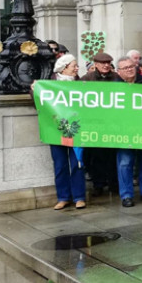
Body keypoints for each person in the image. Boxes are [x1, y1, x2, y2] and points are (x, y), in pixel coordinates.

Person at [115, 56, 142, 208]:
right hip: (124, 130)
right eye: (125, 68)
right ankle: (126, 195)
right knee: (125, 162)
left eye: (131, 66)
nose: (129, 69)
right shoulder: (113, 86)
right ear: (118, 71)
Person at [47, 55, 86, 210]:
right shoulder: (49, 82)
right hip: (56, 130)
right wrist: (34, 88)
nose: (77, 69)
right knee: (60, 164)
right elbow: (37, 97)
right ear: (64, 68)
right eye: (74, 66)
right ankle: (63, 197)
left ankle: (79, 197)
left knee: (77, 163)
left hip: (76, 129)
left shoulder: (80, 82)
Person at [80, 52, 121, 197]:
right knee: (96, 156)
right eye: (102, 63)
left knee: (112, 156)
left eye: (108, 63)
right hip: (95, 124)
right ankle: (98, 184)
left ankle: (113, 184)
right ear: (95, 64)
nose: (106, 65)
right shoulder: (87, 79)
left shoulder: (117, 78)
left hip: (112, 123)